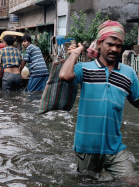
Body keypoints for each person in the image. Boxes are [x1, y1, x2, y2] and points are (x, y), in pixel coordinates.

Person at [59, 20, 139, 180]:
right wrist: (77, 52)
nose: (114, 49)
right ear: (100, 43)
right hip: (86, 147)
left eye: (119, 45)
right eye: (110, 44)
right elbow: (64, 75)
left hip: (115, 148)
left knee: (131, 181)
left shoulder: (129, 73)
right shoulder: (85, 68)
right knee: (88, 183)